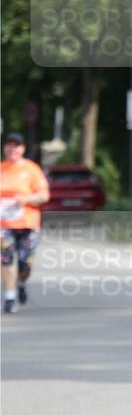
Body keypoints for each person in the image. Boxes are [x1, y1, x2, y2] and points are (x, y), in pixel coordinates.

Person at [1, 132, 50, 314]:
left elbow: (44, 196)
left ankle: (21, 282)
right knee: (6, 259)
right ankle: (9, 297)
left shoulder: (31, 170)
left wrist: (26, 198)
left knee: (25, 263)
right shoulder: (1, 169)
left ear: (22, 149)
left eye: (16, 145)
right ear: (4, 148)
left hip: (28, 223)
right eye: (9, 145)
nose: (12, 149)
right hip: (4, 224)